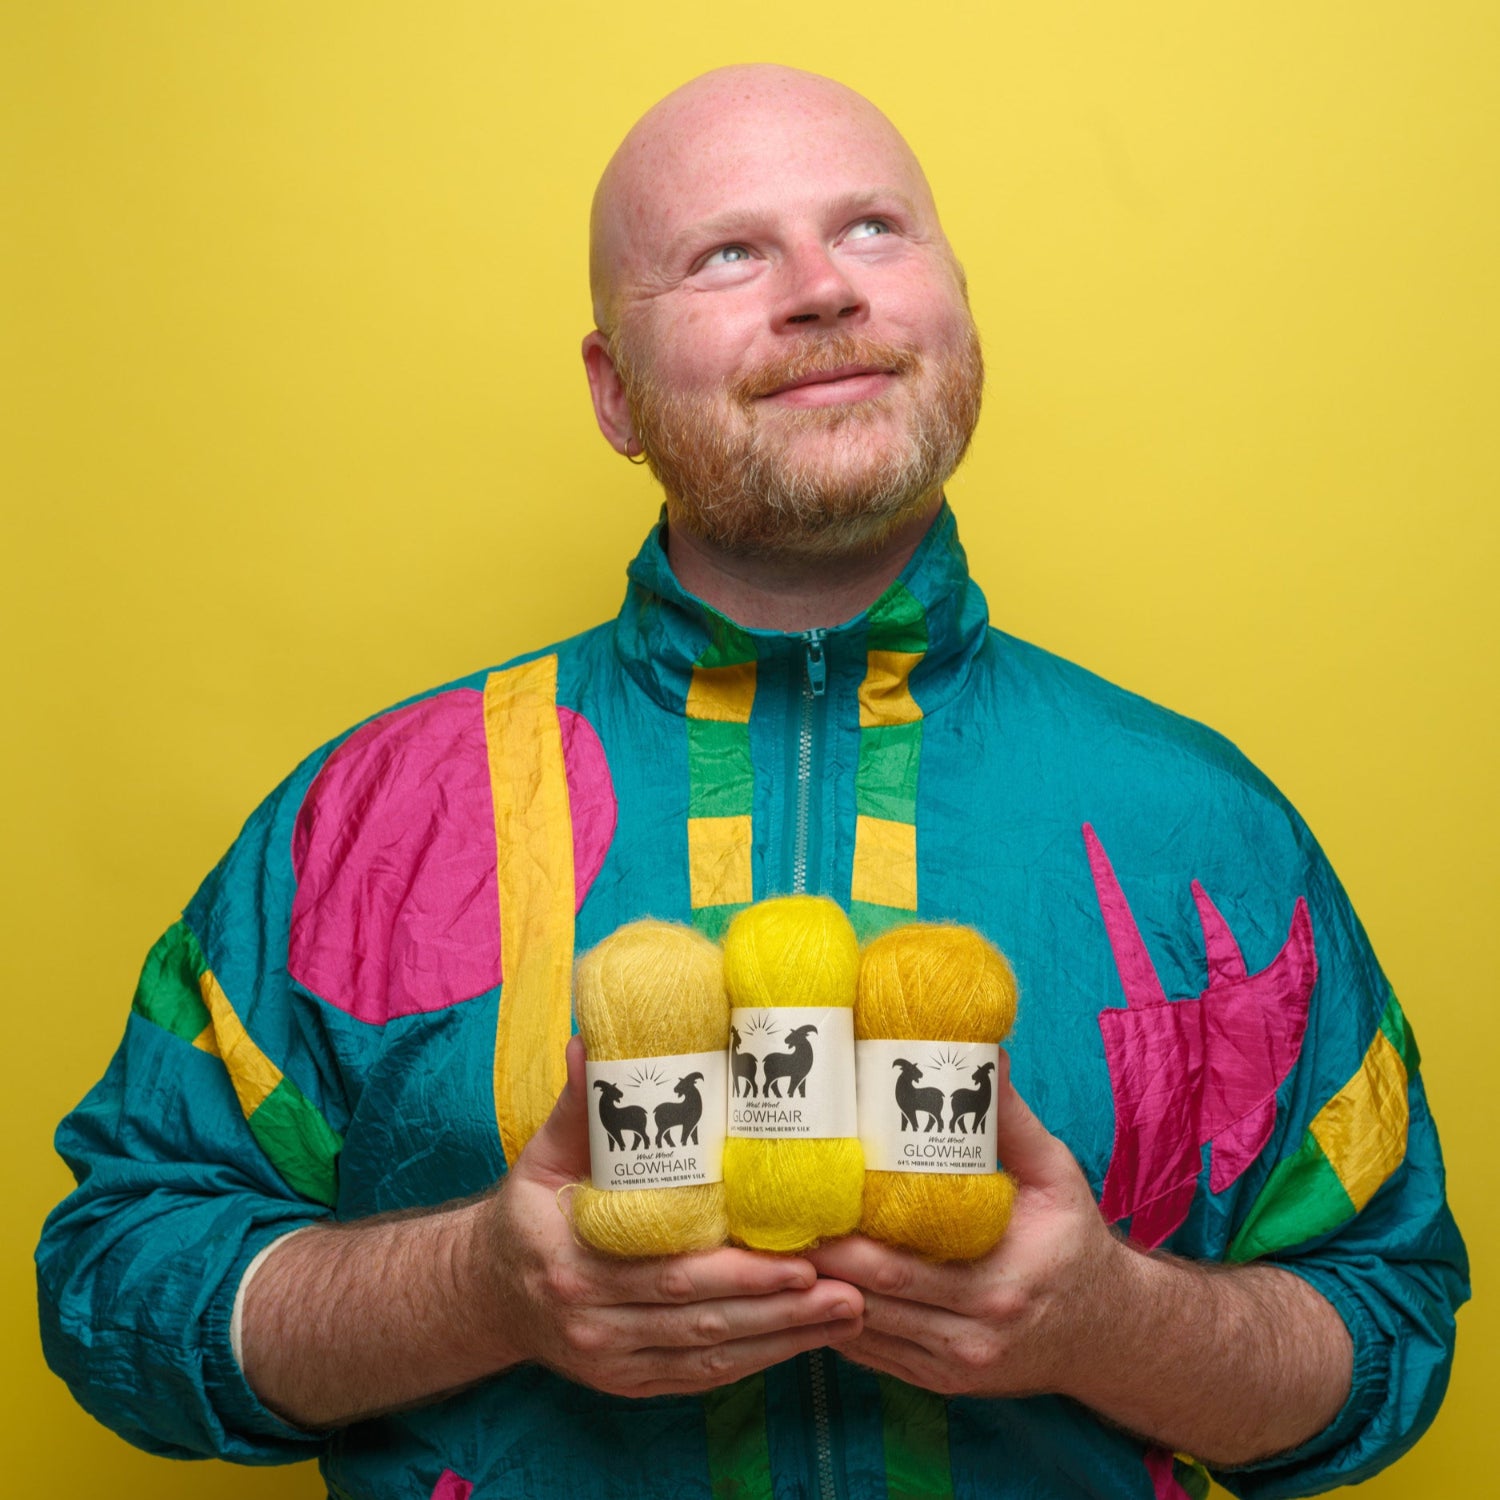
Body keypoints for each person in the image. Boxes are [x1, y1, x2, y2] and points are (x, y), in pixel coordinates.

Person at [37, 64, 1466, 1500]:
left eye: (872, 231)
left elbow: (1389, 1330)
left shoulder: (1200, 828)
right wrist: (482, 1288)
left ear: (958, 307)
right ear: (612, 392)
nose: (821, 290)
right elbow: (112, 1287)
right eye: (729, 253)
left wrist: (1115, 1322)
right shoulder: (371, 820)